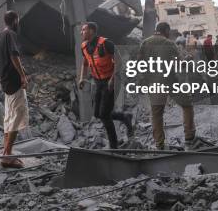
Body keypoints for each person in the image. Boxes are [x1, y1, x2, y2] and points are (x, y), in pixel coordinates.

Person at [138, 22, 206, 151]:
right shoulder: (169, 43)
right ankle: (189, 140)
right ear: (166, 31)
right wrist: (188, 58)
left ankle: (160, 145)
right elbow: (181, 64)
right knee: (187, 106)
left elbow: (140, 64)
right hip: (170, 81)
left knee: (156, 114)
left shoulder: (145, 43)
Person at [78, 22, 133, 149]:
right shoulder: (84, 46)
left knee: (104, 114)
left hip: (112, 81)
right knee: (98, 113)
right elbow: (85, 63)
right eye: (81, 30)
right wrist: (82, 78)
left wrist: (112, 79)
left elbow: (120, 61)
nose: (81, 32)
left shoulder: (106, 43)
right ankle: (125, 117)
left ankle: (114, 146)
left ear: (91, 31)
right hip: (98, 82)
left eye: (84, 30)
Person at [0, 10, 30, 168]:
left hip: (6, 81)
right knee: (17, 115)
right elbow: (14, 56)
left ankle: (5, 152)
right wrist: (23, 76)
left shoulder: (1, 36)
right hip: (14, 81)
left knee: (9, 116)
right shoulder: (11, 35)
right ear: (16, 20)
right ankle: (8, 156)